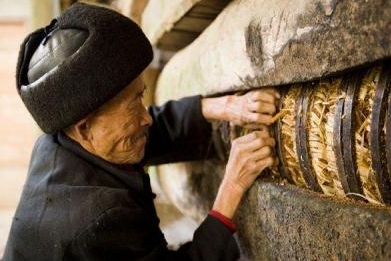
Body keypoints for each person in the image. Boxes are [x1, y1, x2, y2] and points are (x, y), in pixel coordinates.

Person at [3, 3, 279, 261]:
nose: (146, 117)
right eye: (133, 105)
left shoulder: (61, 140)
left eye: (141, 96)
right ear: (85, 127)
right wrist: (231, 188)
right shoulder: (101, 218)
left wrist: (226, 105)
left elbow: (150, 131)